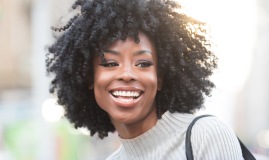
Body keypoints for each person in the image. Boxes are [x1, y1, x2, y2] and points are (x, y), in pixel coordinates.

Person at [46, 0, 244, 159]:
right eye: (109, 63)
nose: (126, 74)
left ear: (160, 78)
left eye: (142, 63)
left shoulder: (205, 136)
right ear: (90, 77)